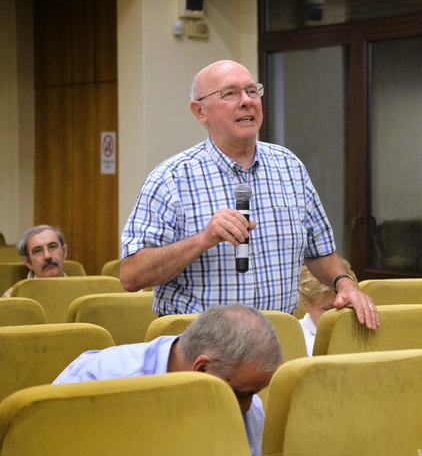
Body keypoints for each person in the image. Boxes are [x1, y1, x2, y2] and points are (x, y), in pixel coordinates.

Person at [118, 59, 378, 330]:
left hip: (277, 338)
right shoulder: (171, 178)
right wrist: (203, 239)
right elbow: (131, 275)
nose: (247, 101)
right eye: (230, 93)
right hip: (200, 342)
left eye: (252, 91)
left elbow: (319, 251)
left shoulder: (289, 167)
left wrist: (344, 283)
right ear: (200, 111)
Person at [53, 303, 282, 456]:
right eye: (241, 394)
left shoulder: (250, 409)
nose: (246, 406)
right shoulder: (93, 383)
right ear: (202, 368)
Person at [297, 257, 356, 356]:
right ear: (307, 305)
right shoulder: (296, 337)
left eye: (344, 308)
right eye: (328, 309)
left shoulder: (359, 329)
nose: (337, 316)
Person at [2, 225, 69, 297]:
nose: (47, 256)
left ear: (64, 252)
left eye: (52, 246)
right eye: (38, 250)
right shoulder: (12, 297)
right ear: (27, 262)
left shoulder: (78, 291)